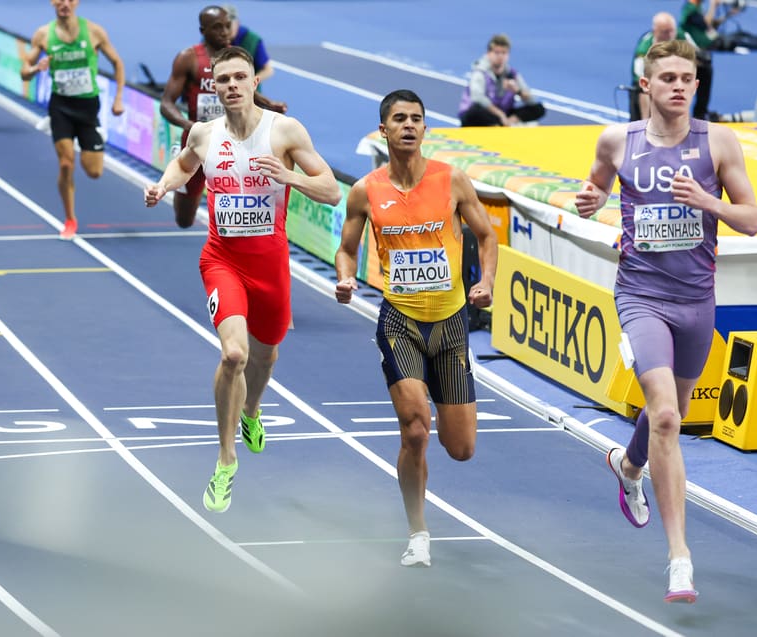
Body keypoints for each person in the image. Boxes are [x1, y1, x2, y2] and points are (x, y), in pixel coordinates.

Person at [574, 40, 757, 602]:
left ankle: (628, 466)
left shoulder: (718, 141)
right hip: (640, 294)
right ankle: (680, 557)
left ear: (696, 86)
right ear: (647, 87)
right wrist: (589, 201)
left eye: (688, 77)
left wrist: (710, 202)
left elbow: (751, 220)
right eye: (669, 78)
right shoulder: (617, 140)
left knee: (673, 414)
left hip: (696, 300)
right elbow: (596, 189)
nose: (680, 86)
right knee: (664, 418)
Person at [144, 46, 340, 513]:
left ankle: (251, 412)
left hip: (270, 264)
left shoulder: (285, 131)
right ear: (213, 86)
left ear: (255, 83)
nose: (230, 85)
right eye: (222, 78)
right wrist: (163, 184)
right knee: (235, 353)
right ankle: (226, 459)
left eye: (239, 77)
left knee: (266, 356)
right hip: (221, 259)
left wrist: (291, 180)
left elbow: (332, 190)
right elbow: (184, 165)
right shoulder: (203, 134)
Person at [335, 89, 498, 566]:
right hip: (399, 322)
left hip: (450, 325)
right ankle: (418, 532)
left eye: (417, 119)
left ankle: (423, 513)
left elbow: (486, 237)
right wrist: (345, 276)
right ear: (383, 131)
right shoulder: (366, 190)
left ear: (425, 129)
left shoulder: (453, 181)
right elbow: (347, 247)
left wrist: (485, 281)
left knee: (461, 448)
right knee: (414, 431)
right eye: (399, 119)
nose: (409, 125)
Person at [159, 5, 287, 229]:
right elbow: (166, 103)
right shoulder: (188, 58)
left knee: (237, 211)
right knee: (184, 220)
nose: (225, 31)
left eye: (228, 26)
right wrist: (193, 127)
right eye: (217, 27)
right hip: (198, 144)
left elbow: (246, 90)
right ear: (203, 30)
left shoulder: (237, 56)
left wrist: (269, 105)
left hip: (235, 142)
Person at [20, 0, 125, 240]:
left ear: (76, 3)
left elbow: (117, 63)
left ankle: (93, 138)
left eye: (69, 0)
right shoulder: (44, 34)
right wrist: (37, 68)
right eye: (59, 0)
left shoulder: (94, 31)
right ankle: (70, 219)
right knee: (66, 163)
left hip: (88, 107)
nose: (64, 4)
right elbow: (23, 71)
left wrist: (118, 99)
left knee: (94, 171)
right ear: (53, 3)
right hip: (61, 107)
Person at [679, 0, 757, 120]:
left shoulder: (696, 8)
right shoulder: (690, 10)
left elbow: (711, 26)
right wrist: (713, 6)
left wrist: (729, 14)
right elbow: (707, 26)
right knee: (744, 40)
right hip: (709, 44)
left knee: (743, 35)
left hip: (713, 39)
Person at [629, 12, 713, 122]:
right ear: (655, 32)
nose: (669, 35)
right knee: (639, 88)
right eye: (665, 32)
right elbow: (640, 78)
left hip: (676, 73)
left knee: (705, 69)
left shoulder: (681, 35)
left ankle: (699, 114)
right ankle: (643, 122)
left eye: (672, 30)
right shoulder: (644, 48)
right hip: (655, 78)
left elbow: (696, 54)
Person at [458, 34, 545, 127]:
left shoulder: (512, 74)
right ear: (488, 54)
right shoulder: (480, 72)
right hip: (484, 113)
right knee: (475, 111)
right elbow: (478, 98)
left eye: (504, 53)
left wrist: (518, 91)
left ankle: (507, 123)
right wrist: (500, 115)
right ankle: (501, 123)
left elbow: (531, 101)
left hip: (504, 112)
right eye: (497, 52)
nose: (500, 56)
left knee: (538, 109)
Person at [222, 4, 274, 85]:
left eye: (228, 26)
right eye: (220, 26)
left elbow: (268, 70)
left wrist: (250, 83)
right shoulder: (211, 37)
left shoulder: (253, 40)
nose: (225, 31)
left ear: (237, 23)